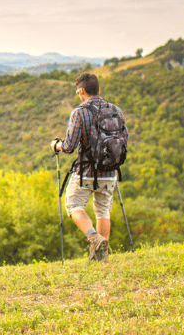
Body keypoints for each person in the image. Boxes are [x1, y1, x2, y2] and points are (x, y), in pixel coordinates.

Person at [52, 73, 129, 262]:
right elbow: (125, 139)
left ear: (82, 91)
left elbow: (69, 147)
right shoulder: (116, 110)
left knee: (73, 205)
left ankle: (94, 238)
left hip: (86, 172)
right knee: (103, 211)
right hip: (110, 171)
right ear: (99, 90)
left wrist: (56, 145)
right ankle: (101, 258)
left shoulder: (79, 112)